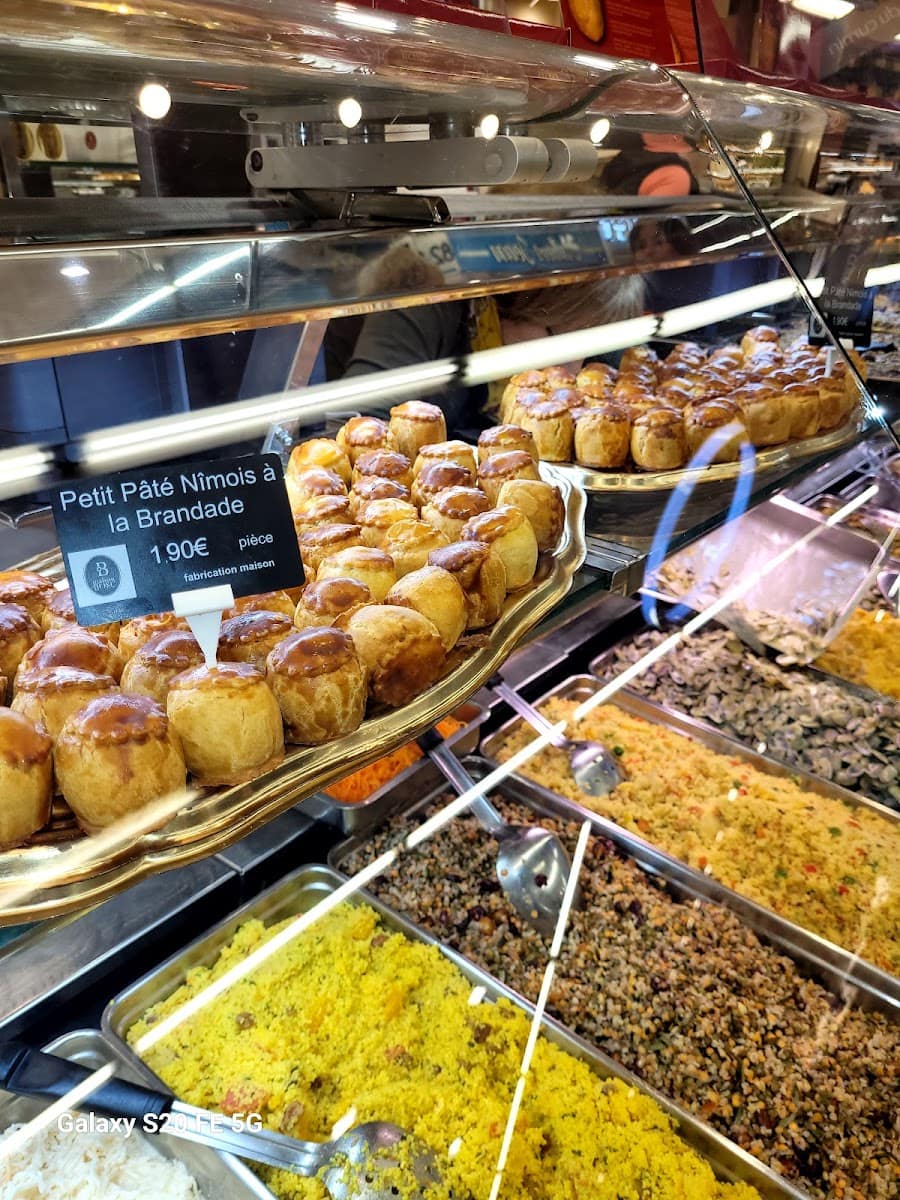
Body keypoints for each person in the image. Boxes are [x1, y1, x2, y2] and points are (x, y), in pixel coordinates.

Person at [330, 260, 646, 437]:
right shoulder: (426, 305)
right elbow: (360, 431)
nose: (571, 371)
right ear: (512, 301)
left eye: (586, 351)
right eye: (561, 340)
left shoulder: (592, 340)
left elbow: (633, 384)